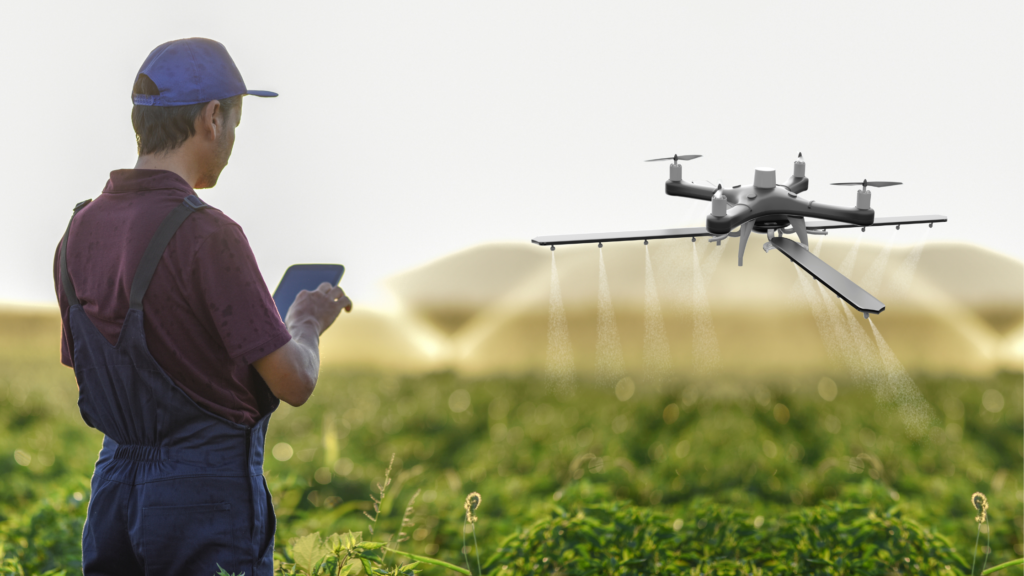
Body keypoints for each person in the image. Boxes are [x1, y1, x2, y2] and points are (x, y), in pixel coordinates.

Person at [53, 38, 350, 575]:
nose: (233, 138)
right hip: (202, 502)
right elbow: (293, 383)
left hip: (112, 494)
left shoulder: (77, 230)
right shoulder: (209, 233)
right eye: (235, 122)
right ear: (212, 117)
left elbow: (100, 363)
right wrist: (305, 321)